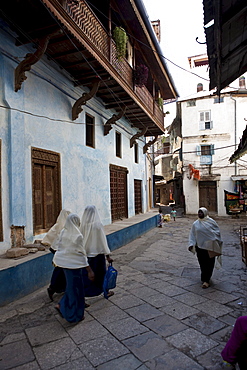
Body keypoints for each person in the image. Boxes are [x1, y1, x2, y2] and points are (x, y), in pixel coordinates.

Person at [53, 213, 94, 323]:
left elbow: (58, 247)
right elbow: (81, 253)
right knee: (75, 289)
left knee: (72, 286)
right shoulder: (78, 236)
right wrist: (89, 270)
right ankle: (71, 312)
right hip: (75, 265)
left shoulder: (63, 232)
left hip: (64, 264)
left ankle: (65, 305)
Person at [80, 205, 114, 298]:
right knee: (101, 274)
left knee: (87, 275)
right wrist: (108, 256)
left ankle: (86, 292)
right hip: (98, 255)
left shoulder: (82, 226)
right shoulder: (98, 226)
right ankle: (104, 291)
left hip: (86, 255)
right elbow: (103, 241)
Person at [188, 207, 222, 289]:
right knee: (202, 264)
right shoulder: (195, 224)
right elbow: (192, 235)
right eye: (199, 212)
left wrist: (214, 240)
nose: (199, 214)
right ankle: (204, 278)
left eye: (201, 212)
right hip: (200, 247)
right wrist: (191, 244)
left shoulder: (211, 222)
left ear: (205, 213)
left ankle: (206, 280)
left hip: (210, 247)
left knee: (210, 264)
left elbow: (216, 232)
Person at [41, 209, 71, 301]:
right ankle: (53, 287)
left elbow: (48, 238)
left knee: (61, 269)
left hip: (56, 249)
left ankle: (59, 287)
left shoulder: (57, 226)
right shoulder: (67, 227)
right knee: (60, 269)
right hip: (61, 250)